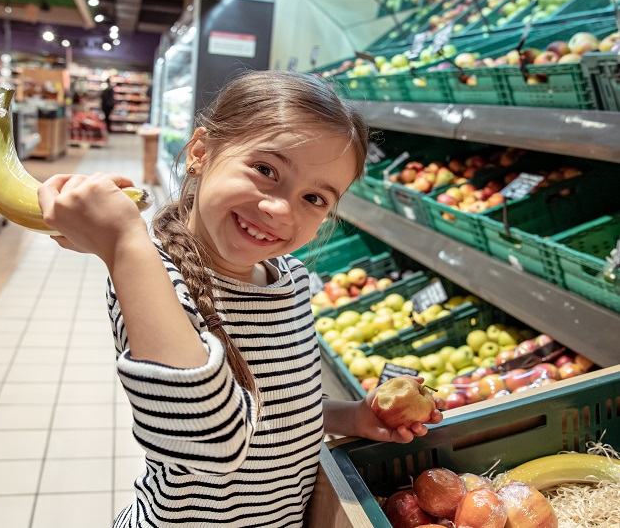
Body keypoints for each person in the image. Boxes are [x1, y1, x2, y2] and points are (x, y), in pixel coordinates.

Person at [36, 71, 442, 527]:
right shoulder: (155, 276)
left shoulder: (287, 279)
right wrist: (125, 243)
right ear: (200, 152)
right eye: (266, 170)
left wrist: (351, 418)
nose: (281, 209)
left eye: (313, 197)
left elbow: (270, 407)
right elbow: (212, 443)